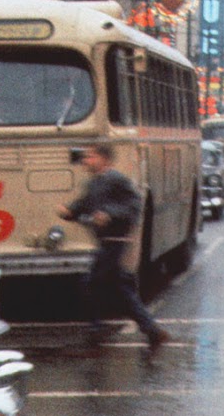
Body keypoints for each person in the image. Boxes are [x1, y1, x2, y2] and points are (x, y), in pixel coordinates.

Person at [57, 144, 172, 353]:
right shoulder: (94, 183)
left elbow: (133, 204)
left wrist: (110, 214)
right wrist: (69, 211)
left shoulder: (116, 179)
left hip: (116, 239)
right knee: (119, 287)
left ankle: (96, 328)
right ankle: (152, 331)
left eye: (91, 156)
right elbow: (84, 204)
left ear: (104, 159)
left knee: (92, 282)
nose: (86, 161)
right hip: (105, 240)